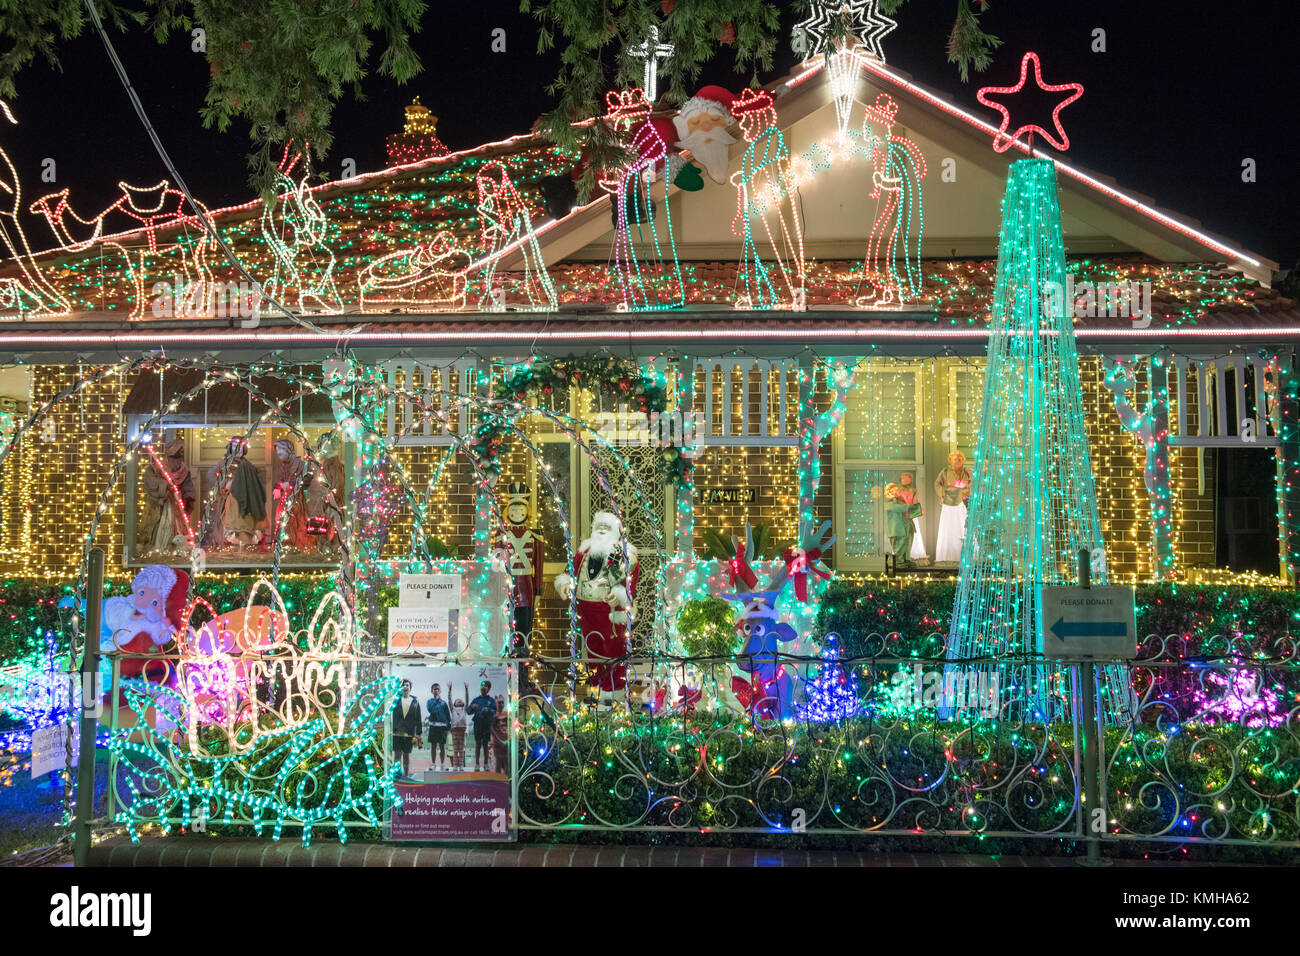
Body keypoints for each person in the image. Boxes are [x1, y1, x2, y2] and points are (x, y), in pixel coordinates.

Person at [554, 511, 640, 709]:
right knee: (592, 651)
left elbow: (630, 579)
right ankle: (596, 690)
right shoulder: (584, 552)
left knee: (613, 651)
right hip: (586, 610)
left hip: (608, 611)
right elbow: (570, 571)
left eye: (607, 527)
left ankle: (614, 694)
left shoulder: (625, 555)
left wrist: (619, 594)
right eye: (599, 526)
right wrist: (565, 583)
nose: (602, 530)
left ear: (617, 532)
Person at [934, 450, 973, 563]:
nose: (957, 461)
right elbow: (938, 484)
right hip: (948, 503)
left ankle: (964, 557)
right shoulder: (945, 472)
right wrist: (942, 495)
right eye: (955, 459)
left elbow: (972, 484)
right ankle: (947, 558)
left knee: (962, 527)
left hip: (962, 503)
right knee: (948, 528)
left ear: (963, 461)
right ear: (950, 460)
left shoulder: (967, 472)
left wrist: (964, 490)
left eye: (960, 459)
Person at [391, 678, 422, 777]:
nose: (405, 687)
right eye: (403, 685)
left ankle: (406, 775)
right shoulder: (395, 700)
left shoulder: (415, 702)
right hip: (397, 732)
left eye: (407, 685)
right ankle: (396, 775)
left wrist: (418, 733)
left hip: (409, 732)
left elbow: (418, 718)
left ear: (410, 688)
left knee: (406, 755)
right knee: (397, 755)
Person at [897, 472, 928, 563]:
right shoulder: (898, 490)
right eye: (903, 478)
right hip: (902, 514)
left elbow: (914, 501)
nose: (904, 480)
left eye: (906, 478)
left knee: (913, 533)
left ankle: (914, 555)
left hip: (911, 513)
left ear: (910, 480)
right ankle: (901, 556)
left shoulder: (913, 490)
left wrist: (919, 509)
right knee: (902, 534)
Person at [467, 680, 497, 772]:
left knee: (485, 745)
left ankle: (486, 764)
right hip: (478, 724)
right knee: (477, 744)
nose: (483, 688)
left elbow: (495, 712)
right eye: (481, 686)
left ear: (488, 689)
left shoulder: (491, 700)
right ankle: (476, 764)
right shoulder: (476, 700)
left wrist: (488, 710)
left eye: (485, 687)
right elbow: (468, 711)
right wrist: (472, 707)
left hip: (487, 724)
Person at [883, 482, 915, 567]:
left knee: (907, 543)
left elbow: (909, 507)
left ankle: (906, 560)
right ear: (889, 491)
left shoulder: (901, 500)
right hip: (897, 528)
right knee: (899, 545)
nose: (895, 491)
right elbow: (896, 508)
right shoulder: (889, 501)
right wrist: (908, 507)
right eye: (892, 490)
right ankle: (898, 561)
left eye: (896, 489)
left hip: (906, 526)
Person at [425, 682, 450, 771]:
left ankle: (443, 764)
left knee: (442, 746)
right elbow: (430, 709)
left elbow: (447, 715)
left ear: (440, 691)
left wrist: (448, 726)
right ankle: (433, 764)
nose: (436, 690)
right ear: (432, 691)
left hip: (442, 727)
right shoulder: (430, 701)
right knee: (433, 745)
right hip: (433, 726)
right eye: (435, 689)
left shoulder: (444, 703)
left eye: (438, 689)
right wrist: (436, 700)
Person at [448, 687, 468, 770]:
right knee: (455, 750)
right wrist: (450, 691)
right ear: (455, 703)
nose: (459, 700)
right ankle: (455, 765)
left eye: (461, 700)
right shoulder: (453, 709)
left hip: (462, 730)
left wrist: (466, 690)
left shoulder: (464, 709)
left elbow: (467, 700)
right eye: (457, 700)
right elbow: (449, 700)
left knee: (461, 749)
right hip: (455, 730)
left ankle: (461, 765)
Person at [490, 693, 509, 774]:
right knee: (498, 763)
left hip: (506, 743)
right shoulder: (493, 715)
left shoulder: (507, 714)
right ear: (496, 703)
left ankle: (506, 782)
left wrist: (508, 740)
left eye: (502, 702)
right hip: (498, 744)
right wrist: (499, 741)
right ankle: (497, 784)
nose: (501, 704)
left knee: (506, 764)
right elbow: (491, 729)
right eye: (499, 702)